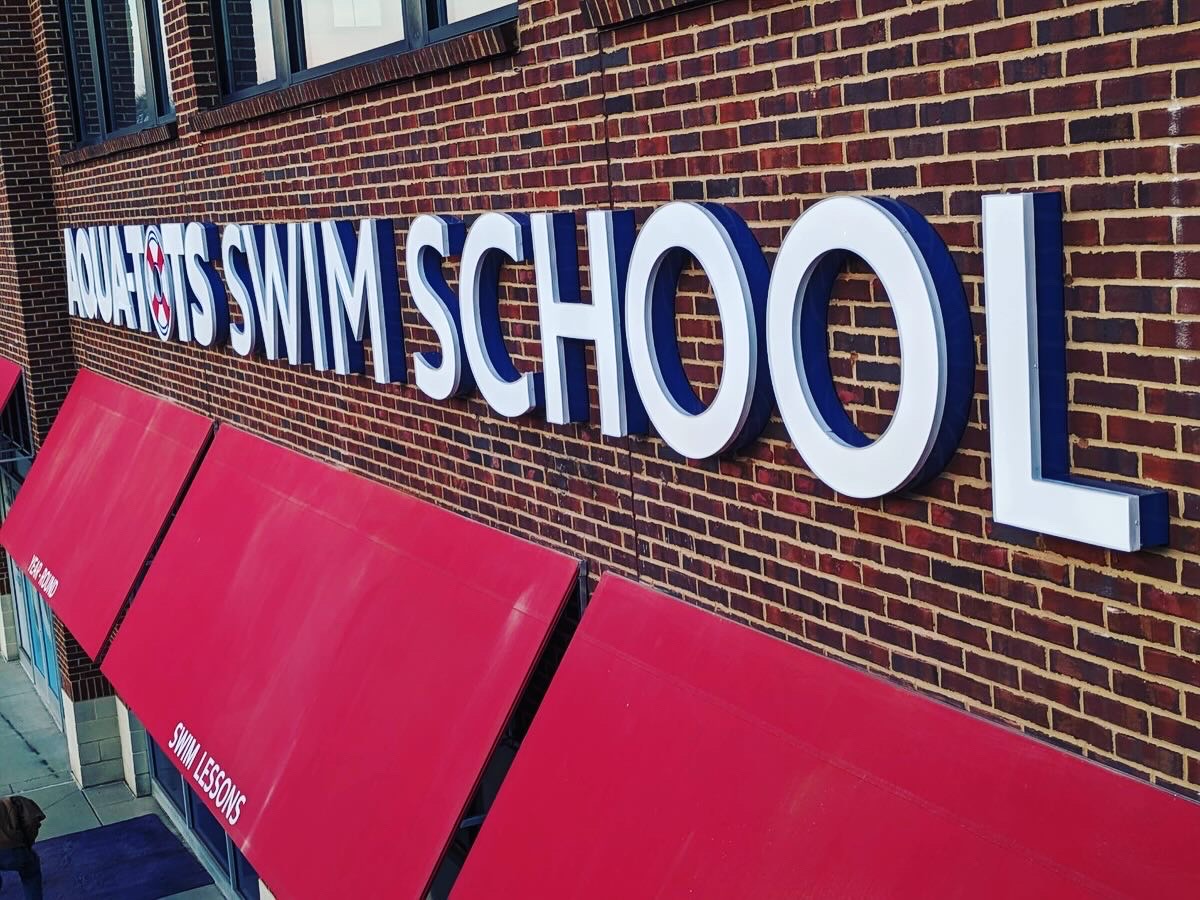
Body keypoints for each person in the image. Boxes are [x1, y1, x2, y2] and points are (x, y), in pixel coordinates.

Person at [0, 794, 44, 900]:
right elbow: (31, 823)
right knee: (31, 873)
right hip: (11, 852)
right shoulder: (15, 803)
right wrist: (27, 844)